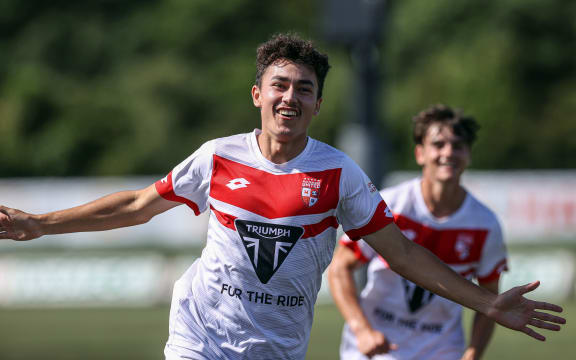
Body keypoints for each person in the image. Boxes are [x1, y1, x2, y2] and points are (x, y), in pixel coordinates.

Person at [0, 34, 565, 360]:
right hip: (199, 332)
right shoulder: (217, 156)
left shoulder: (341, 175)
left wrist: (485, 303)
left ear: (318, 104)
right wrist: (41, 225)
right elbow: (137, 206)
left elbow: (402, 253)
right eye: (280, 84)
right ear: (257, 94)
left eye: (304, 88)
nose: (290, 96)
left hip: (277, 346)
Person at [328, 105, 512, 360]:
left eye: (458, 145)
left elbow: (490, 299)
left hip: (441, 350)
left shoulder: (485, 224)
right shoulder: (390, 205)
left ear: (468, 154)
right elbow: (340, 267)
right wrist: (362, 331)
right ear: (420, 153)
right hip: (375, 348)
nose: (448, 152)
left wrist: (473, 354)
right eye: (439, 144)